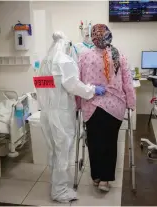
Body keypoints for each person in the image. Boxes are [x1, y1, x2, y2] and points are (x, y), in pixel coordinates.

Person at [35, 31, 106, 203]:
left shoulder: (45, 61)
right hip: (62, 114)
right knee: (63, 152)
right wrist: (92, 90)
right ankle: (59, 191)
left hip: (47, 112)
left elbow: (40, 85)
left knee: (54, 150)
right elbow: (73, 85)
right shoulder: (65, 61)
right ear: (67, 45)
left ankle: (56, 183)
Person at [77, 24, 136, 192]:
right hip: (115, 107)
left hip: (91, 105)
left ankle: (96, 176)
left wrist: (76, 104)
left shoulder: (84, 56)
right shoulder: (119, 56)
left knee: (94, 143)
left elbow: (78, 82)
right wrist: (131, 103)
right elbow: (128, 83)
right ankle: (105, 180)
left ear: (93, 38)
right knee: (110, 143)